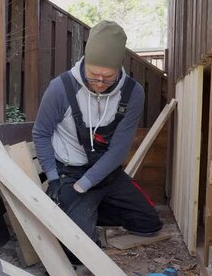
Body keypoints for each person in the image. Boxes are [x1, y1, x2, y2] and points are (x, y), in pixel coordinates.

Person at [32, 20, 162, 262]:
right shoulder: (60, 88)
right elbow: (41, 133)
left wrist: (86, 186)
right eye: (94, 76)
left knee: (149, 224)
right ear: (85, 60)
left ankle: (89, 208)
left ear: (119, 67)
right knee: (76, 252)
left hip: (105, 173)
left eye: (108, 77)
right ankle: (82, 212)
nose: (100, 83)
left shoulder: (133, 93)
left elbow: (119, 150)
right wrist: (53, 179)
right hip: (69, 173)